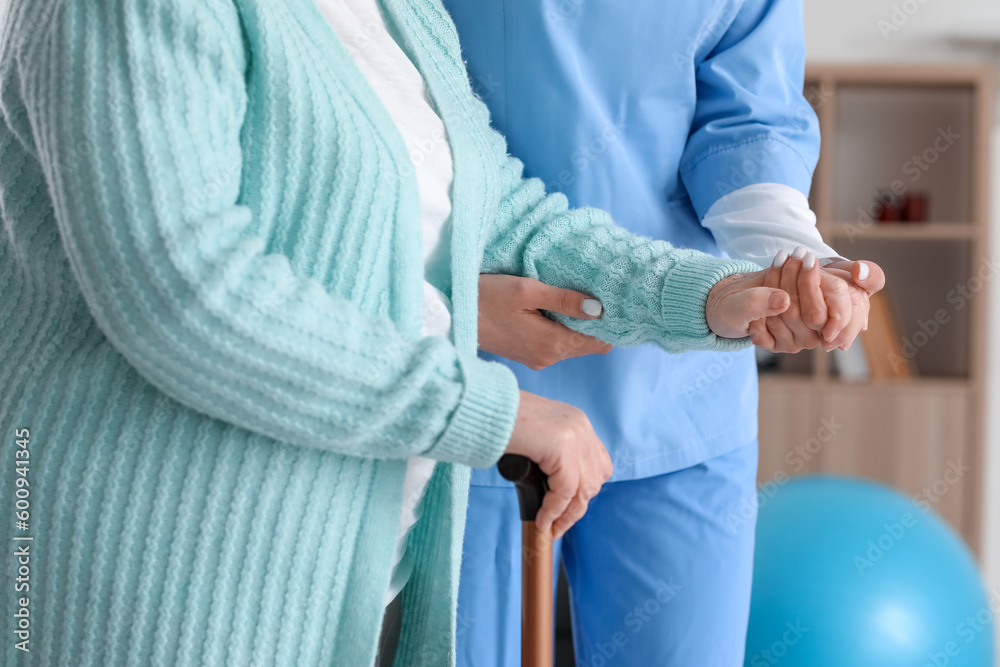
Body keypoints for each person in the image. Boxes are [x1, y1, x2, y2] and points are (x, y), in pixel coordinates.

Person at [0, 0, 847, 665]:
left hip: (323, 562)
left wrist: (719, 295)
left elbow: (497, 207)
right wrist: (490, 406)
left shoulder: (388, 10)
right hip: (146, 567)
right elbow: (184, 290)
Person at [441, 1, 886, 665]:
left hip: (680, 377)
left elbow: (747, 122)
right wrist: (449, 298)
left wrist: (793, 267)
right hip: (481, 375)